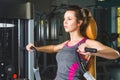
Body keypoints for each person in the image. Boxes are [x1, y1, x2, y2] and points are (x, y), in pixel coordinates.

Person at [26, 5, 120, 80]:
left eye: (69, 19)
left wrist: (92, 51)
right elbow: (54, 48)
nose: (65, 22)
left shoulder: (86, 43)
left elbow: (115, 54)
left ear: (79, 23)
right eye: (64, 19)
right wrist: (37, 48)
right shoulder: (67, 43)